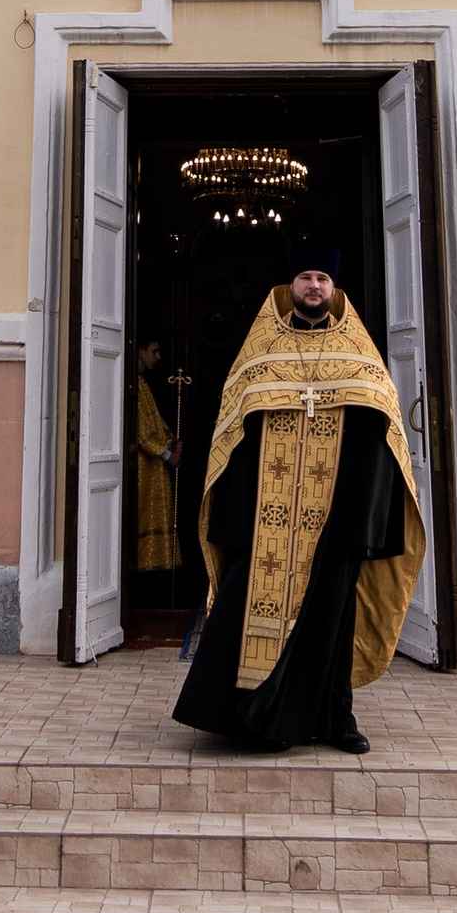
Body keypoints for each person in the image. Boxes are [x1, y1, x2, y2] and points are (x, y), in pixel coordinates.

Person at [174, 241, 424, 756]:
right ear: (292, 287)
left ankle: (337, 719)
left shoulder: (360, 355)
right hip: (265, 518)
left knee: (334, 619)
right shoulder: (261, 351)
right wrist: (236, 517)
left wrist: (367, 522)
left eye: (322, 279)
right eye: (306, 278)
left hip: (336, 517)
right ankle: (250, 718)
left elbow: (381, 439)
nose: (314, 286)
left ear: (334, 288)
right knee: (247, 612)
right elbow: (232, 436)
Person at [133, 339, 180, 576]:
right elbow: (141, 430)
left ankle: (156, 568)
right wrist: (167, 453)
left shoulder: (141, 383)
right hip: (144, 464)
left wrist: (170, 440)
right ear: (141, 352)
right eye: (154, 351)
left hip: (154, 465)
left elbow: (155, 421)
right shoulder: (132, 385)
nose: (158, 356)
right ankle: (143, 570)